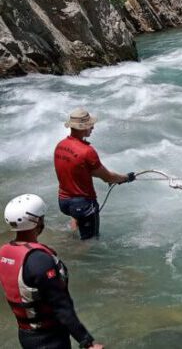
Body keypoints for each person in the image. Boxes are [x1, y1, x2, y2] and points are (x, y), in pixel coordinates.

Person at [0, 194, 104, 349]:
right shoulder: (39, 260)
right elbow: (61, 306)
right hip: (50, 339)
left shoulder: (5, 252)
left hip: (26, 335)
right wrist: (87, 342)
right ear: (37, 221)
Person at [54, 108, 135, 240]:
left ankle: (72, 239)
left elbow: (82, 169)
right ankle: (72, 255)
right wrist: (126, 178)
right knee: (90, 242)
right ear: (83, 128)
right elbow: (107, 177)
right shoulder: (87, 151)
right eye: (90, 125)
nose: (93, 127)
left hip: (64, 201)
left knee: (77, 220)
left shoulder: (60, 145)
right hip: (83, 205)